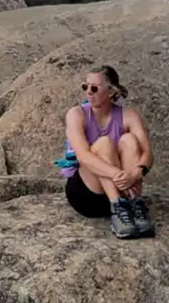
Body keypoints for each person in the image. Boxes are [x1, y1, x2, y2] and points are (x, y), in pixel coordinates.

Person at [59, 66, 155, 239]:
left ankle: (134, 205)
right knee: (104, 144)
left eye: (94, 88)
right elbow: (83, 156)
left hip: (123, 188)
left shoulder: (129, 115)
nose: (88, 92)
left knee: (130, 141)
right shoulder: (77, 114)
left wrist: (136, 173)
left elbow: (147, 154)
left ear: (111, 92)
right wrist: (118, 174)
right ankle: (117, 207)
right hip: (86, 193)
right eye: (85, 87)